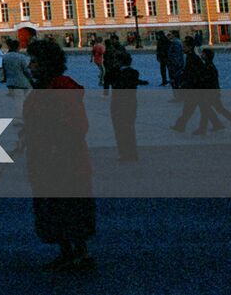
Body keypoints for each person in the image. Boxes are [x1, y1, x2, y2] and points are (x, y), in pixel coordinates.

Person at [22, 38, 95, 272]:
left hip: (66, 164)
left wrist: (54, 145)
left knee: (71, 208)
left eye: (34, 61)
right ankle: (66, 252)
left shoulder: (62, 88)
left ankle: (80, 254)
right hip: (44, 163)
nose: (30, 66)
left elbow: (76, 126)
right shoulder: (41, 90)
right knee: (52, 211)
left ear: (47, 64)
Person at [107, 52, 145, 161]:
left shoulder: (116, 73)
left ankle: (124, 153)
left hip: (119, 104)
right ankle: (132, 153)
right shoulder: (134, 72)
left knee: (120, 130)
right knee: (129, 129)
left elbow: (109, 80)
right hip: (131, 104)